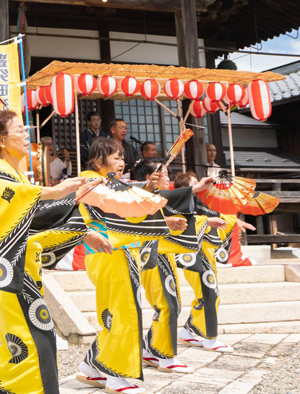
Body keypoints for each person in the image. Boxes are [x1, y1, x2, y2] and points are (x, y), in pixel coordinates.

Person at [0, 110, 99, 394]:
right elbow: (22, 209)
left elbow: (32, 220)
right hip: (10, 270)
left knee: (28, 339)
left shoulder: (15, 175)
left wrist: (80, 228)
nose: (26, 136)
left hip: (22, 269)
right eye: (19, 131)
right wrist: (65, 197)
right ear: (1, 139)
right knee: (31, 339)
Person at [75, 138, 186, 394]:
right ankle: (116, 375)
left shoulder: (109, 184)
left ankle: (92, 366)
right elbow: (124, 213)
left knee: (114, 313)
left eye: (122, 157)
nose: (122, 162)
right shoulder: (93, 182)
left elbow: (130, 208)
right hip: (111, 252)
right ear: (98, 160)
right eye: (116, 157)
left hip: (110, 253)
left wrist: (154, 201)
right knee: (125, 312)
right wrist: (151, 199)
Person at [135, 159, 215, 375]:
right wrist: (196, 189)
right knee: (168, 305)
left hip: (164, 254)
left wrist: (204, 218)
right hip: (151, 255)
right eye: (163, 173)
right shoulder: (142, 196)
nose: (168, 176)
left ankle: (151, 348)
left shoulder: (163, 198)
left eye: (168, 172)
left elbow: (184, 212)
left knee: (171, 305)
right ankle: (164, 354)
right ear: (149, 177)